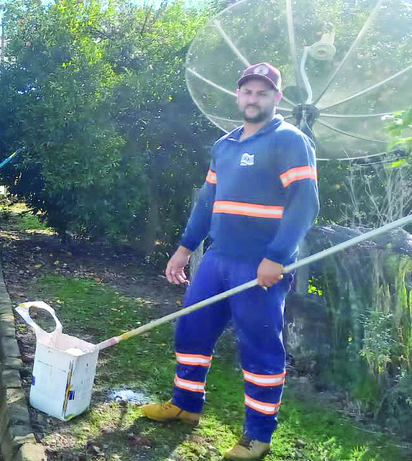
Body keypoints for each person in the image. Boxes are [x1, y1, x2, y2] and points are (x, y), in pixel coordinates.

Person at [140, 62, 319, 460]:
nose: (253, 99)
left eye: (263, 92)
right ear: (238, 96)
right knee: (192, 331)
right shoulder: (225, 145)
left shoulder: (289, 141)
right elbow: (207, 203)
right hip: (218, 259)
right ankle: (185, 405)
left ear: (276, 98)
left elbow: (305, 205)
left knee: (259, 350)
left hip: (260, 266)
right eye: (248, 91)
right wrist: (185, 247)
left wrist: (277, 258)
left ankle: (257, 436)